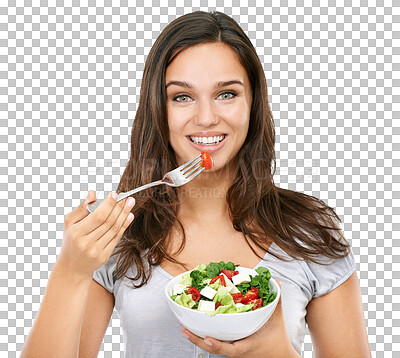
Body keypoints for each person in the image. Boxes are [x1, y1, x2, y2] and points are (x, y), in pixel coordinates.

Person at [20, 11, 371, 358]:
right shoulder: (121, 234)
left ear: (253, 104)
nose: (205, 118)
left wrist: (278, 352)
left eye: (227, 94)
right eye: (182, 97)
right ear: (159, 108)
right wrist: (70, 269)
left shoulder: (309, 232)